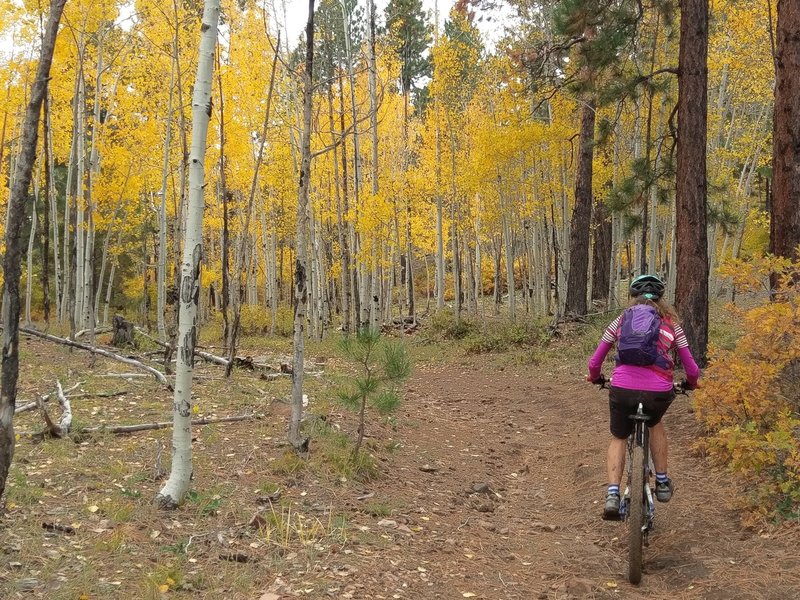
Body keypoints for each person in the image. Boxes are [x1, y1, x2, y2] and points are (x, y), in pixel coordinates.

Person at [586, 274, 700, 520]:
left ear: (633, 298)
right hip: (658, 392)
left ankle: (613, 494)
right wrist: (691, 383)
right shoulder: (671, 325)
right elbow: (692, 369)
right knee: (655, 422)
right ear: (661, 298)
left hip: (622, 388)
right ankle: (661, 481)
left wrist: (596, 377)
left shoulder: (620, 321)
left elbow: (595, 361)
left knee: (619, 436)